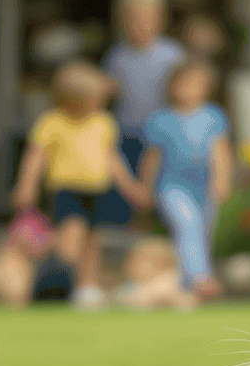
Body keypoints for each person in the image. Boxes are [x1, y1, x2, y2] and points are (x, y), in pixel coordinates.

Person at [12, 60, 148, 310]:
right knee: (70, 241)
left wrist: (131, 187)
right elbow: (36, 156)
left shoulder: (103, 123)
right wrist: (26, 185)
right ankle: (51, 276)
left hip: (97, 190)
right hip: (67, 190)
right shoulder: (52, 122)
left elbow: (112, 159)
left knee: (91, 242)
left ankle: (88, 287)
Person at [138, 57, 232, 302]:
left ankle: (187, 284)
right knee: (187, 224)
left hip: (203, 185)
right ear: (172, 86)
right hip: (172, 185)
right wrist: (145, 187)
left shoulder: (213, 117)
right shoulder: (160, 120)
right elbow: (152, 158)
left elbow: (220, 153)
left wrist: (222, 180)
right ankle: (201, 278)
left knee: (202, 231)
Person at [102, 0, 185, 223]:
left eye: (146, 19)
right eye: (134, 20)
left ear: (159, 22)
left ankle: (158, 228)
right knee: (127, 185)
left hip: (162, 134)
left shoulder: (172, 54)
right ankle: (125, 229)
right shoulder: (117, 56)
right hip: (128, 130)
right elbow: (108, 91)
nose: (140, 26)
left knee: (161, 185)